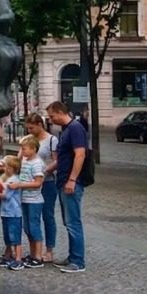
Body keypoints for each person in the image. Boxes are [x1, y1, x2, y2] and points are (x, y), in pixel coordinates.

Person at [46, 101, 87, 272]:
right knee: (68, 221)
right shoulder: (67, 130)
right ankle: (73, 256)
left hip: (71, 183)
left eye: (51, 116)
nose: (50, 119)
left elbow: (80, 155)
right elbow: (63, 158)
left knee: (73, 222)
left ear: (59, 112)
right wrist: (47, 169)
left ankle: (78, 261)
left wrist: (72, 180)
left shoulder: (75, 128)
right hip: (63, 181)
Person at [25, 112, 59, 258]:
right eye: (28, 128)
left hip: (47, 183)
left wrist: (43, 171)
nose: (29, 131)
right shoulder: (29, 140)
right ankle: (35, 250)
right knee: (32, 217)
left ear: (40, 125)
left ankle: (49, 250)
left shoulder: (52, 140)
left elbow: (56, 160)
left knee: (47, 215)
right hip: (31, 184)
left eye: (31, 128)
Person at [14, 135, 48, 267]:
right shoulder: (25, 160)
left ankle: (38, 255)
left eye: (25, 149)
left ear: (34, 149)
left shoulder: (37, 163)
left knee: (34, 227)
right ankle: (33, 253)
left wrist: (20, 185)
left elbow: (38, 183)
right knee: (27, 227)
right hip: (24, 198)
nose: (23, 151)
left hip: (34, 200)